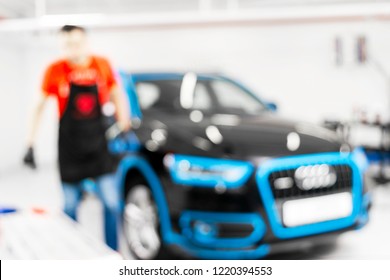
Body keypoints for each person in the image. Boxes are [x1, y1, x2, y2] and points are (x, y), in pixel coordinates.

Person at [23, 25, 131, 250]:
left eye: (76, 42)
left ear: (86, 42)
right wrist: (30, 143)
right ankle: (74, 254)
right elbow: (38, 106)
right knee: (70, 207)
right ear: (61, 45)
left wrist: (124, 123)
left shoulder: (102, 65)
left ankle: (112, 253)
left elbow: (117, 94)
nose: (72, 48)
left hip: (98, 149)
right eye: (66, 44)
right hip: (69, 150)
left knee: (111, 203)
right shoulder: (55, 69)